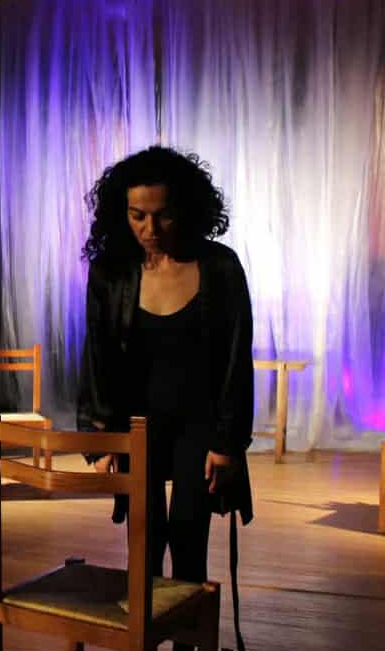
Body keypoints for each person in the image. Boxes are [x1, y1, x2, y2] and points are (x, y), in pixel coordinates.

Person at [76, 146, 254, 624]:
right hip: (136, 424)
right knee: (145, 540)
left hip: (200, 425)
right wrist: (100, 438)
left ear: (187, 209)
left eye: (163, 215)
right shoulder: (111, 271)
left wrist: (228, 442)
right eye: (138, 216)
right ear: (122, 213)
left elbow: (237, 360)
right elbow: (96, 357)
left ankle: (188, 640)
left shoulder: (220, 266)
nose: (150, 229)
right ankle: (144, 636)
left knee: (190, 538)